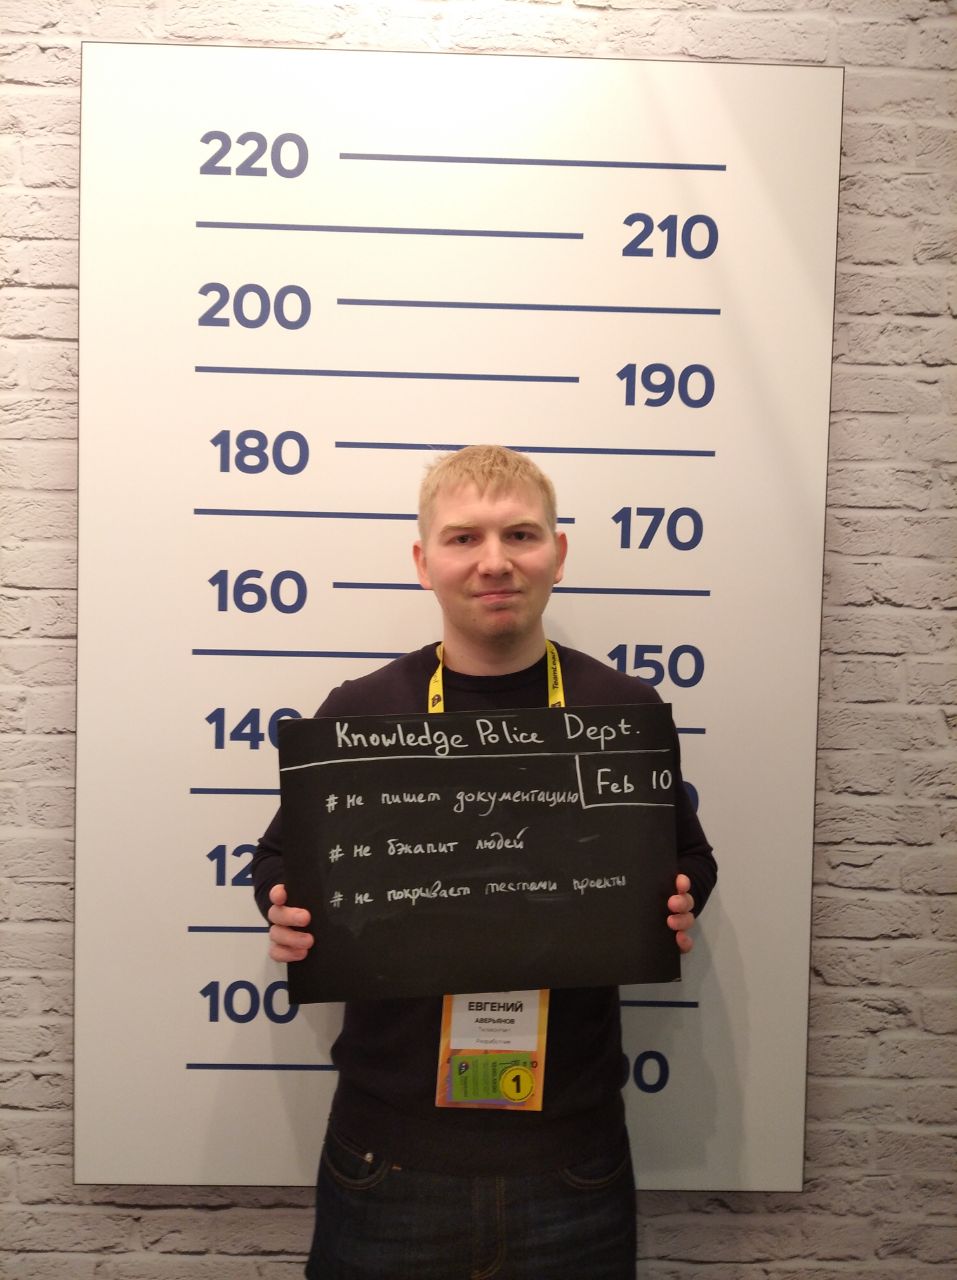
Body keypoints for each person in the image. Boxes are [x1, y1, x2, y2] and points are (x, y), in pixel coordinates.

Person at [252, 445, 716, 1280]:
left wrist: (682, 898)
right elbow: (278, 861)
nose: (494, 562)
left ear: (558, 555)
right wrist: (283, 910)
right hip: (386, 1155)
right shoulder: (360, 714)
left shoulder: (621, 711)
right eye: (463, 538)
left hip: (571, 1157)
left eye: (520, 535)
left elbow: (689, 857)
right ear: (422, 561)